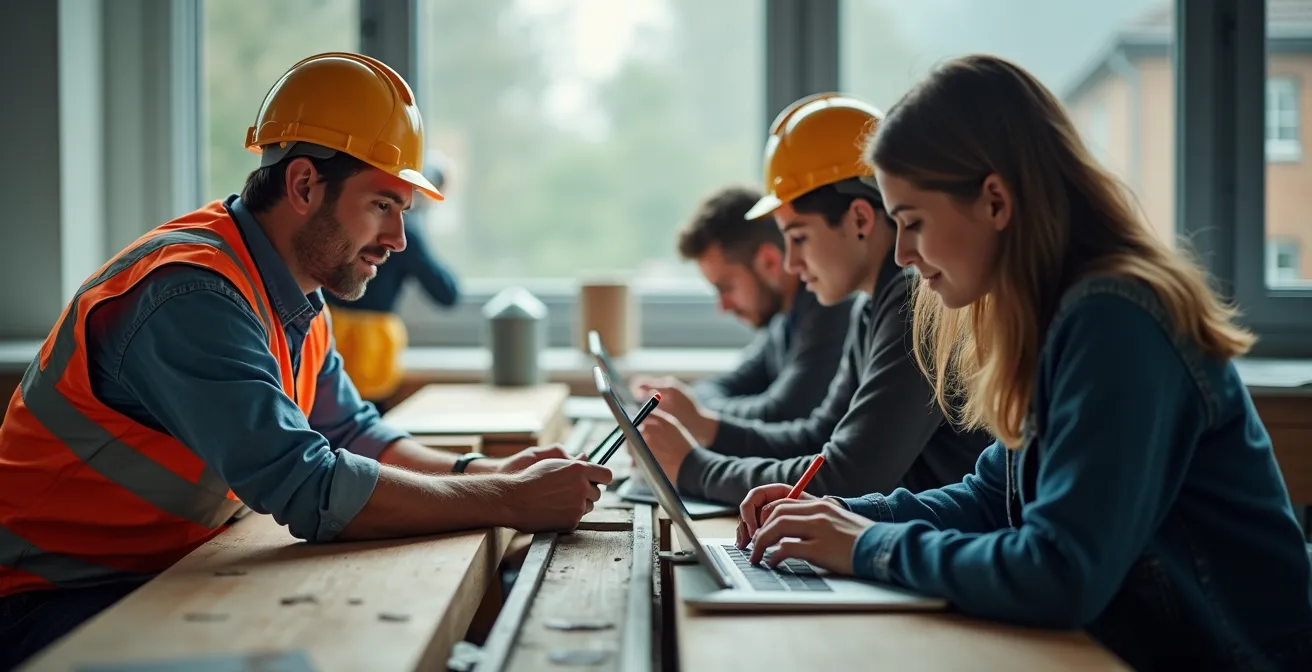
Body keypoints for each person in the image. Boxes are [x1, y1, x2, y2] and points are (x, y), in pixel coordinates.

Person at [0, 52, 610, 670]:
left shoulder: (297, 296)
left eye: (404, 211)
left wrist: (487, 471)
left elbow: (351, 431)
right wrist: (507, 500)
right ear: (302, 186)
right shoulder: (190, 294)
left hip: (168, 570)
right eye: (382, 204)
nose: (399, 239)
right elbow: (309, 486)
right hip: (50, 603)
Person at [738, 55, 1312, 670]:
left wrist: (867, 546)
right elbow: (994, 495)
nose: (901, 253)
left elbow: (1060, 572)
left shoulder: (1116, 321)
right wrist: (840, 516)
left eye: (912, 222)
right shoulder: (1054, 313)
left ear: (994, 201)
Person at [637, 93, 992, 504]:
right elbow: (820, 435)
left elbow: (849, 474)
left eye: (799, 238)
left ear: (860, 219)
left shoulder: (916, 302)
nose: (791, 263)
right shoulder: (872, 307)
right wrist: (700, 431)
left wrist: (695, 469)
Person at [630, 184, 854, 425]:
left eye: (726, 287)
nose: (723, 306)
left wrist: (695, 415)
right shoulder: (782, 320)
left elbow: (781, 413)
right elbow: (727, 383)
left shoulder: (829, 309)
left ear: (769, 262)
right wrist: (682, 403)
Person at [324, 150, 461, 410]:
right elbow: (447, 293)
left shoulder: (348, 215)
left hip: (331, 332)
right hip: (367, 350)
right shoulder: (407, 238)